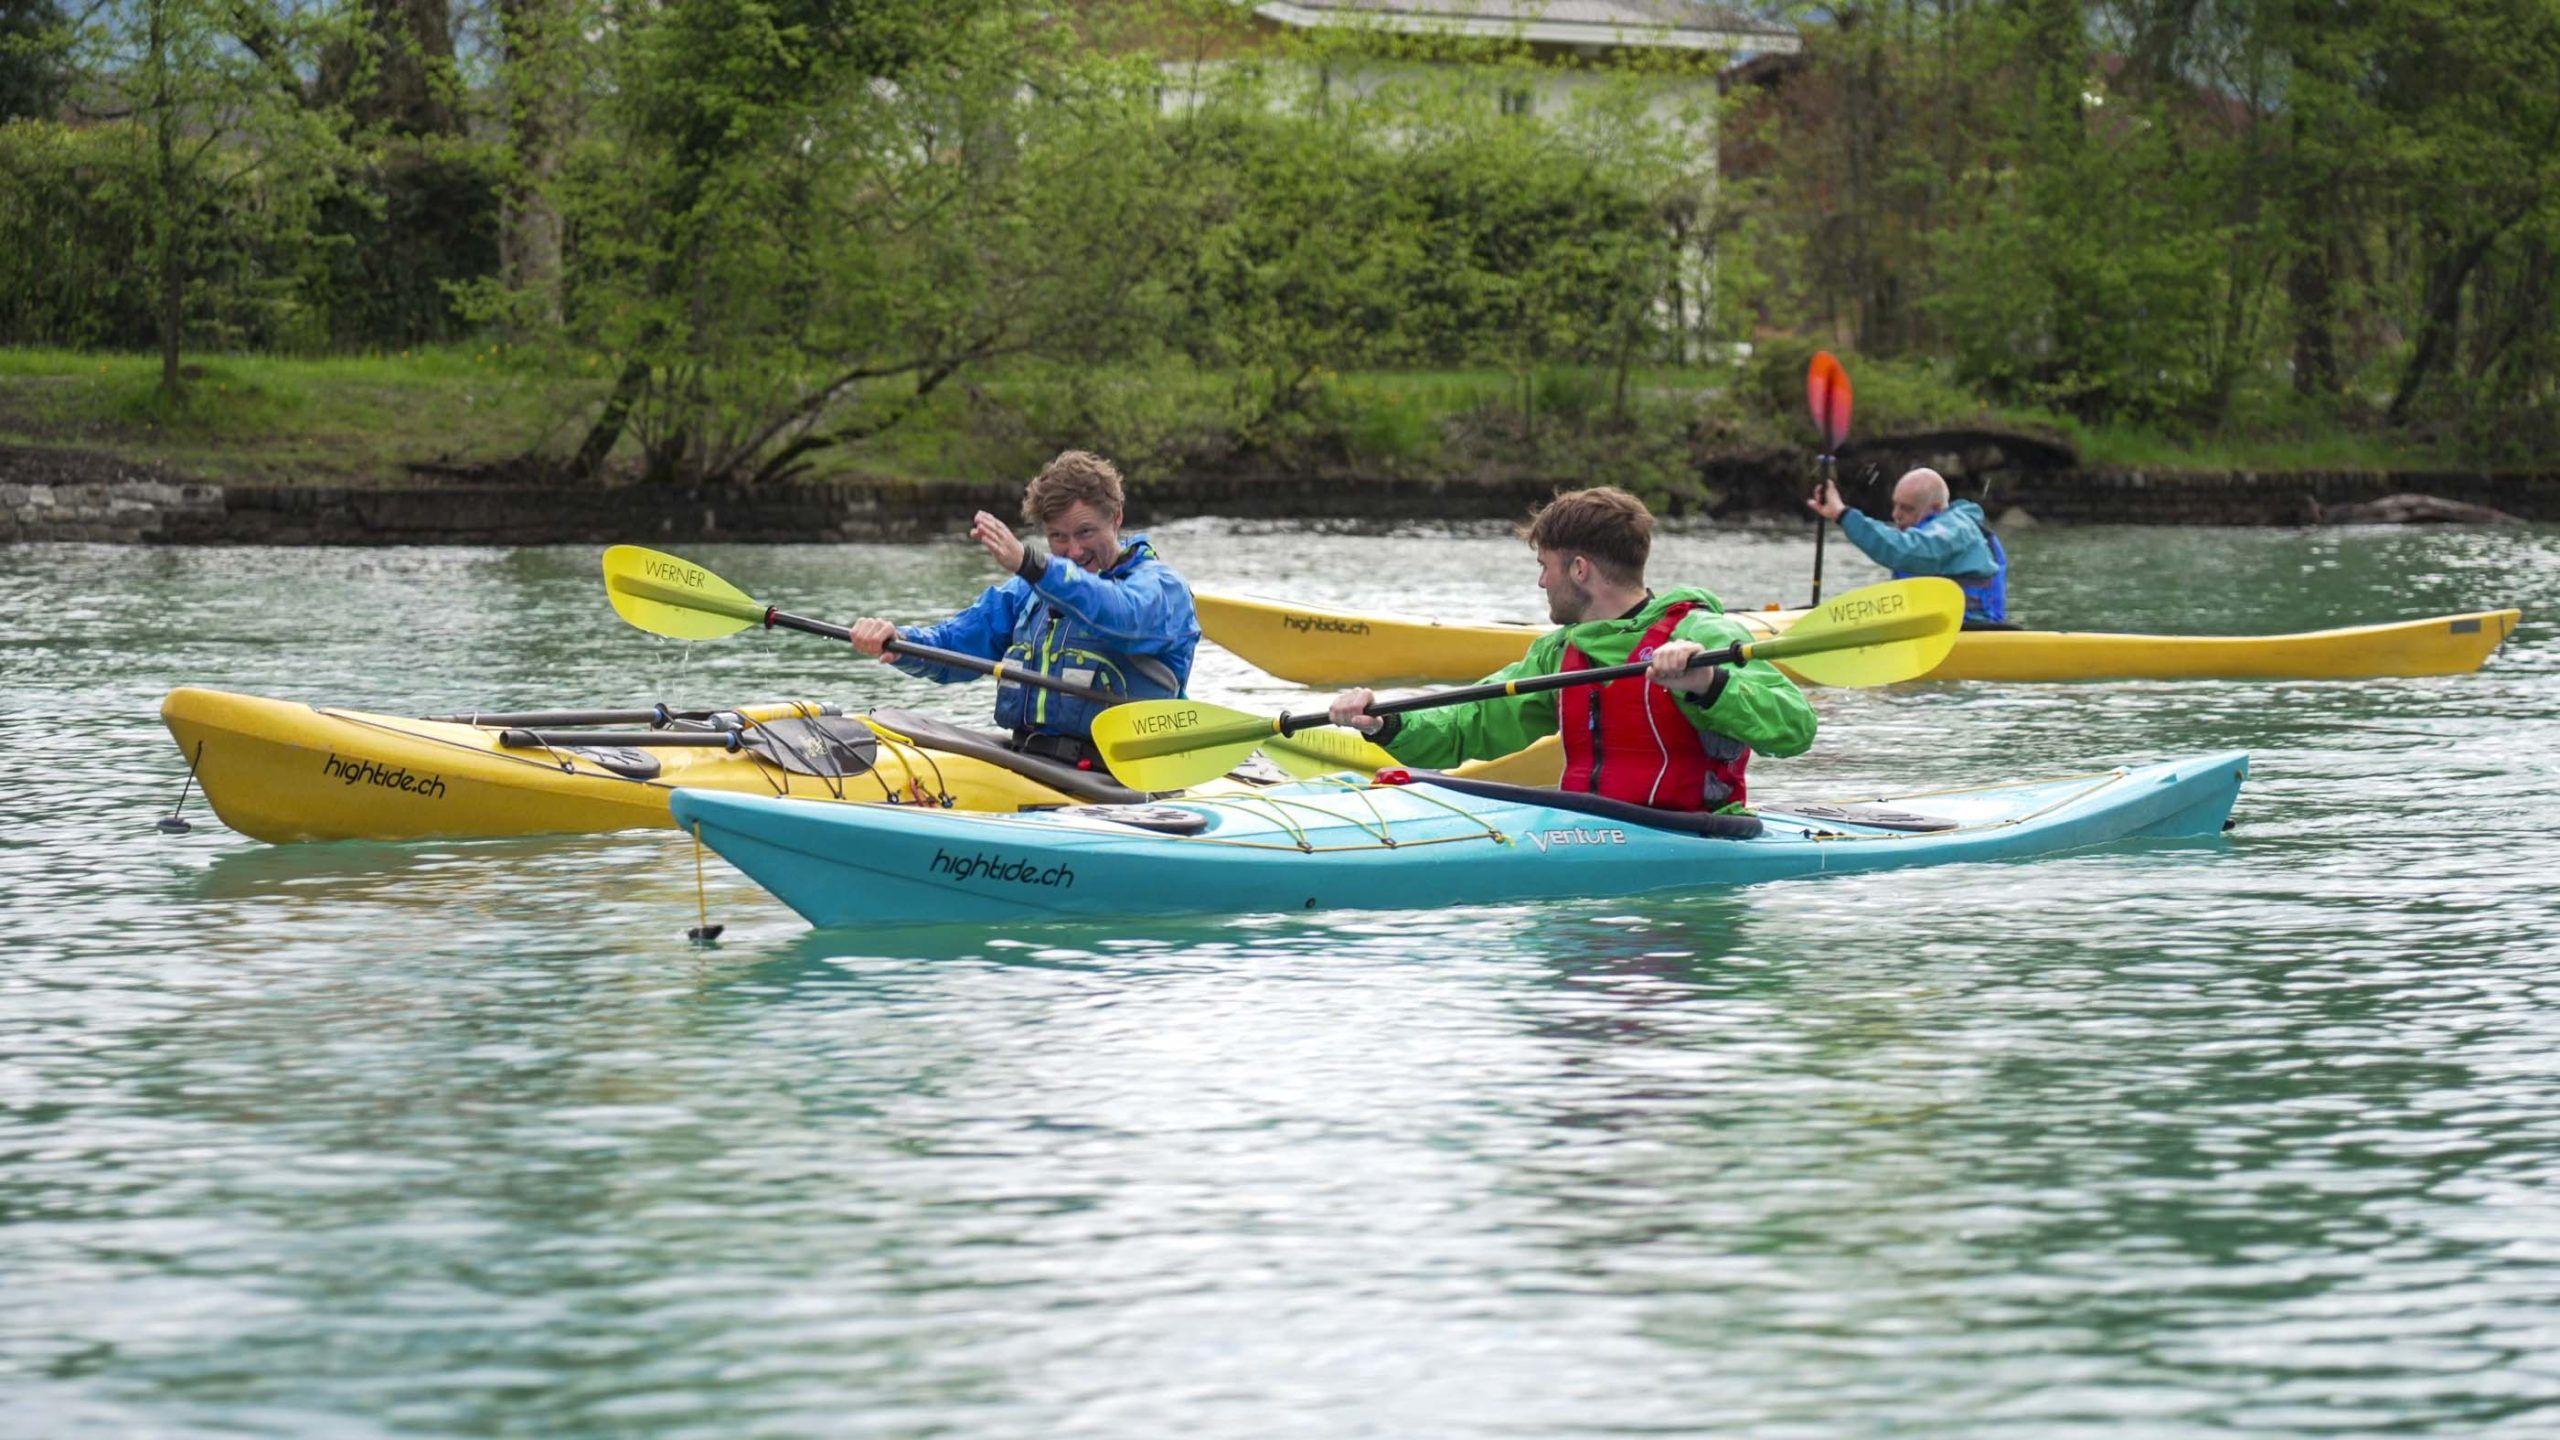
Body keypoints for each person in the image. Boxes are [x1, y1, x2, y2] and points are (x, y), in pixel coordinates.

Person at [1327, 486, 1815, 812]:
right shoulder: (1557, 653)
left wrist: (1709, 684)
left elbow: (1794, 728)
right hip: (1585, 837)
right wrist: (1387, 722)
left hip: (1700, 842)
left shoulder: (1703, 635)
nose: (1541, 581)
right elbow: (1469, 722)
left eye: (1546, 566)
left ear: (1580, 570)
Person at [847, 450, 1199, 766]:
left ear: (1116, 519)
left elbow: (1119, 615)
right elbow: (955, 643)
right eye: (1058, 537)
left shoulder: (1162, 590)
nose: (1074, 551)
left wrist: (1034, 566)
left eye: (1086, 532)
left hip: (1124, 781)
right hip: (1031, 764)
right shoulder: (1027, 593)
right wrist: (898, 642)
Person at [1808, 466, 2009, 626]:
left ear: (1937, 508)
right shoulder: (1932, 530)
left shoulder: (1955, 528)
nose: (1896, 515)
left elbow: (1903, 550)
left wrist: (1842, 514)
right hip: (1932, 626)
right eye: (1895, 505)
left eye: (1907, 508)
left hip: (1971, 627)